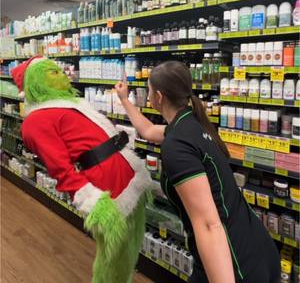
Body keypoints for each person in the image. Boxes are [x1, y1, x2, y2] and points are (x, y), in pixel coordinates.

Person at [115, 60, 281, 283]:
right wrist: (125, 100)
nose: (148, 95)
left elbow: (209, 225)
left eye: (149, 90)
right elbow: (148, 130)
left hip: (235, 262)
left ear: (159, 97)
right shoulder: (192, 125)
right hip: (255, 244)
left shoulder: (176, 146)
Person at [11, 56, 153, 283]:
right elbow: (61, 169)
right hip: (106, 190)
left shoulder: (72, 104)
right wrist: (93, 201)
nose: (62, 75)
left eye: (59, 71)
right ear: (34, 83)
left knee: (130, 245)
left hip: (127, 175)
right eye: (52, 72)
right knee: (112, 256)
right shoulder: (35, 121)